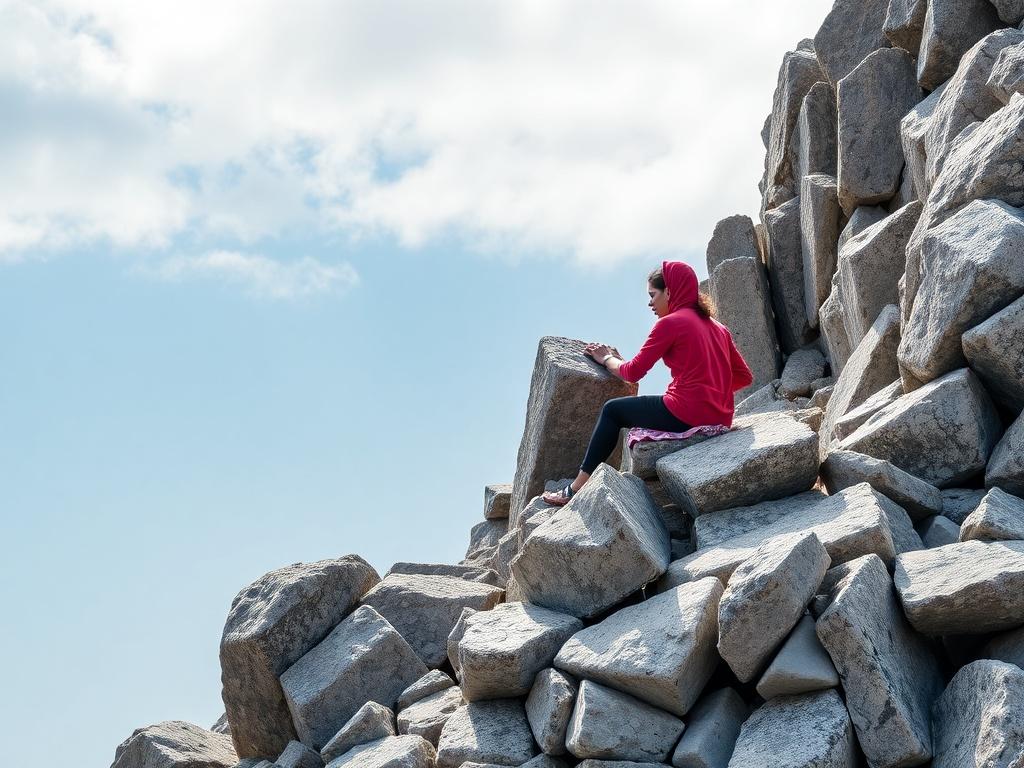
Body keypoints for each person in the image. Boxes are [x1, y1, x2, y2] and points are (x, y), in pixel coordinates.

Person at [542, 260, 754, 506]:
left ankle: (576, 487)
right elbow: (744, 377)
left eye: (653, 295)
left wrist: (606, 358)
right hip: (720, 418)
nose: (650, 303)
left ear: (670, 292)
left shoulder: (670, 323)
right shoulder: (718, 328)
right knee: (640, 405)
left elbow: (633, 373)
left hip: (686, 413)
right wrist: (711, 392)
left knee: (613, 410)